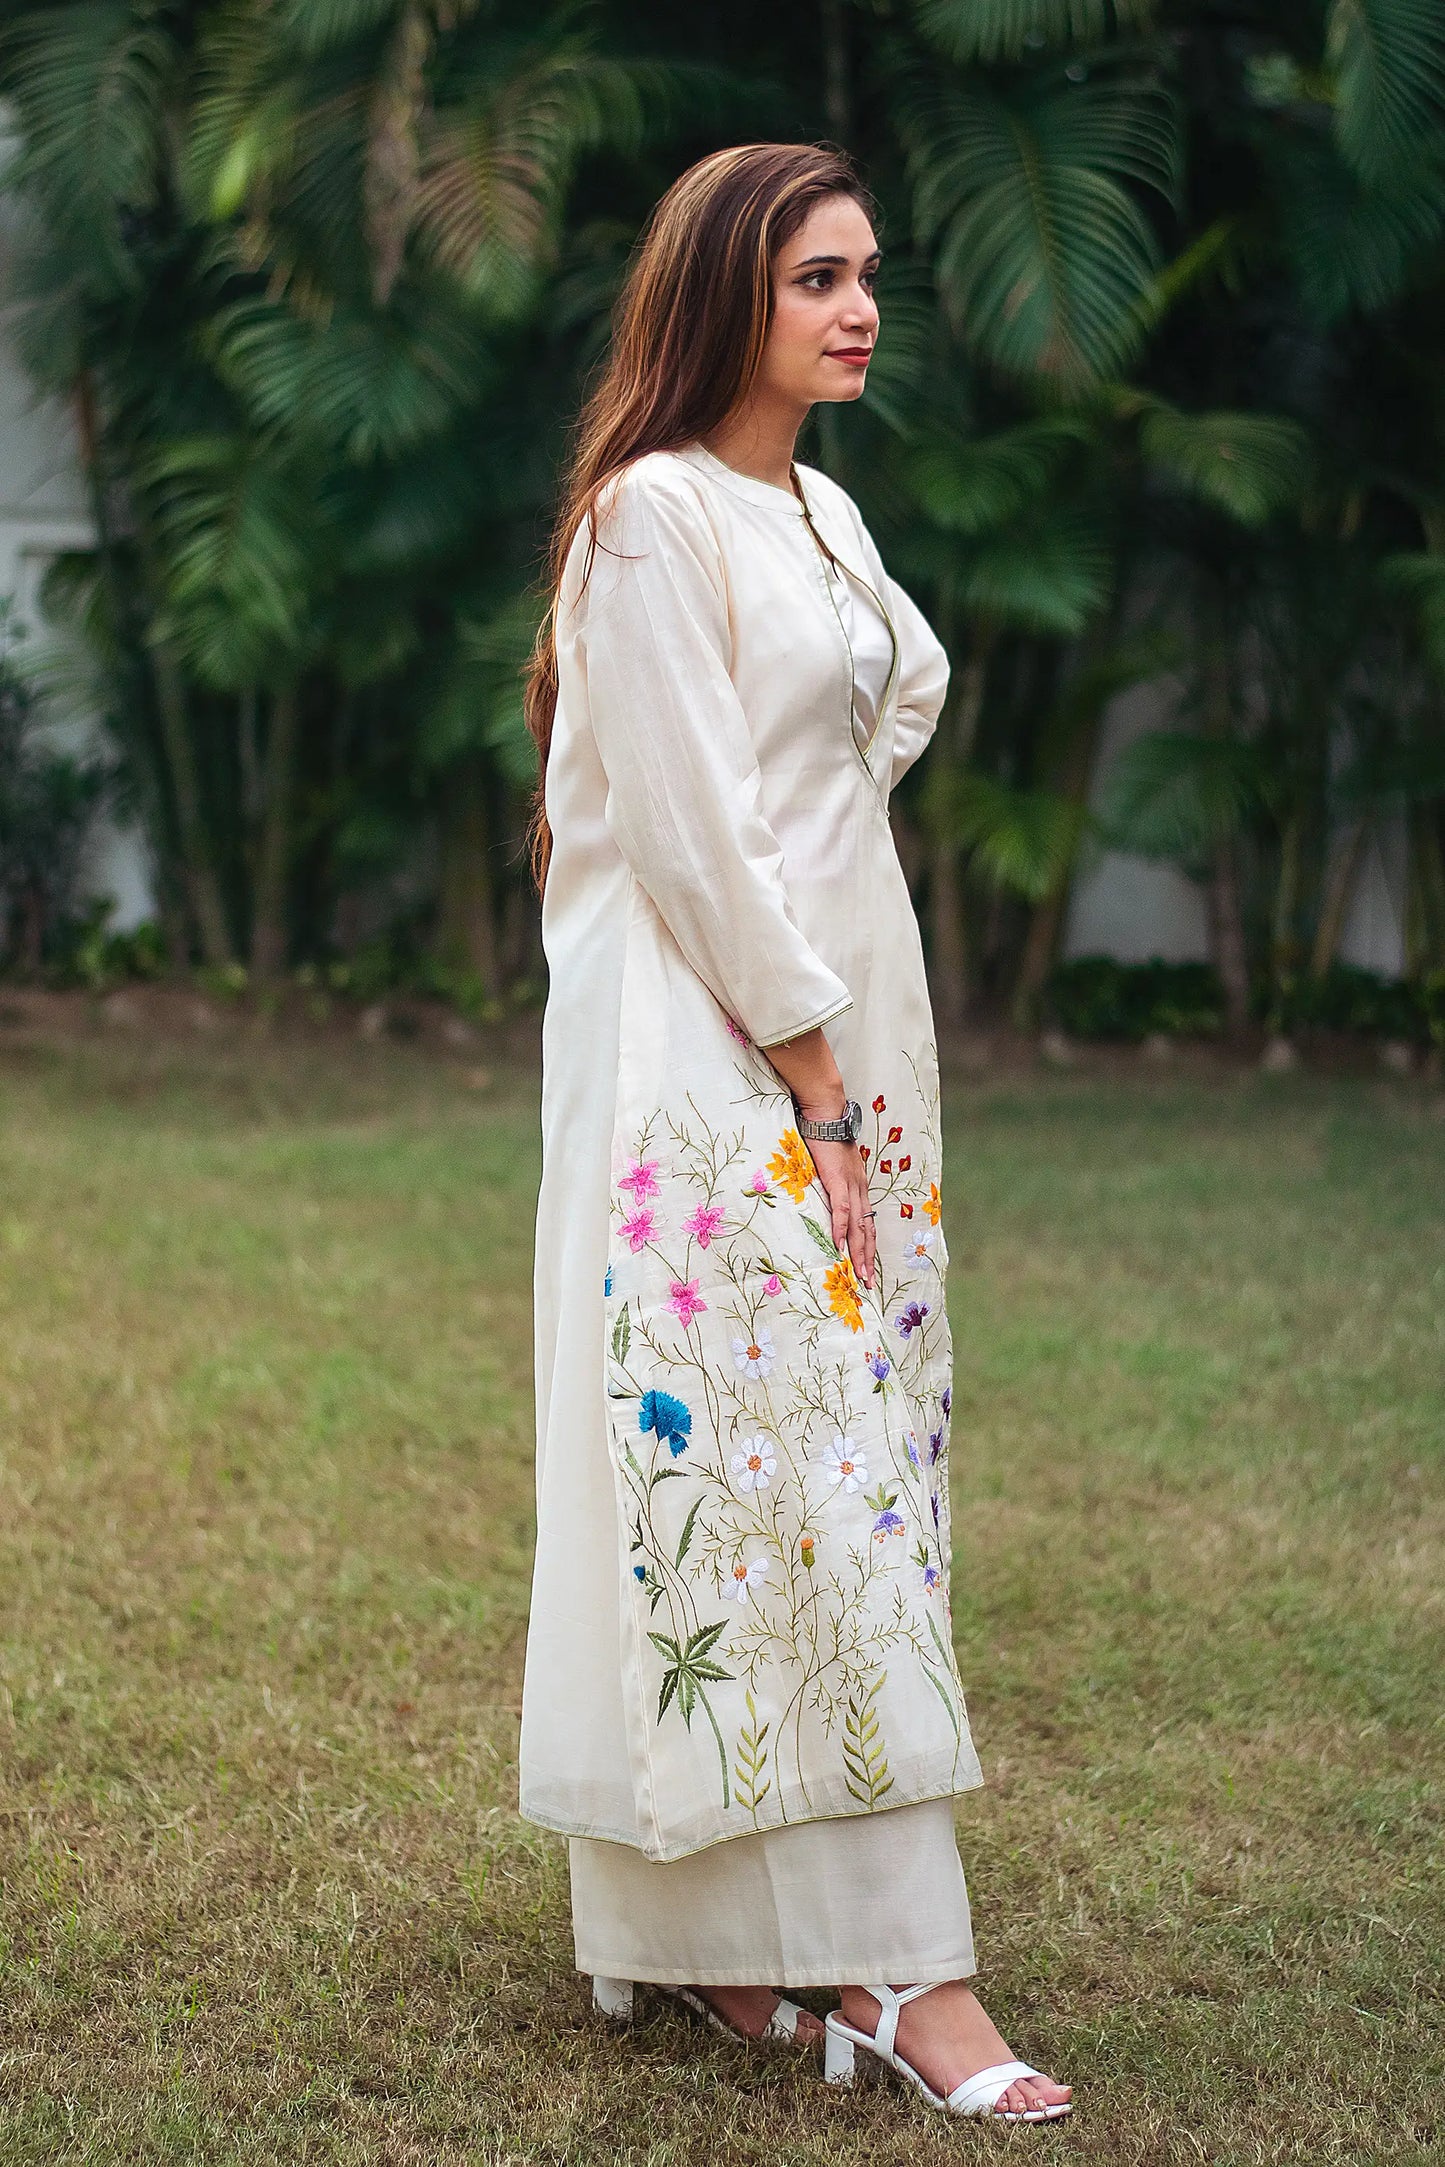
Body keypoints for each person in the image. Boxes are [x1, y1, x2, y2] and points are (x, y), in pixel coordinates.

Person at [517, 141, 1072, 2128]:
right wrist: (814, 1086)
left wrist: (860, 1075)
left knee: (825, 1484)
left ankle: (728, 1945)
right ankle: (913, 1976)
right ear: (721, 294)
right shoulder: (649, 518)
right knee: (784, 1488)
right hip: (719, 1057)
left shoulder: (820, 506)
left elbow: (837, 770)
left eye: (867, 274)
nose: (859, 308)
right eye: (815, 276)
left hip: (850, 1044)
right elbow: (688, 839)